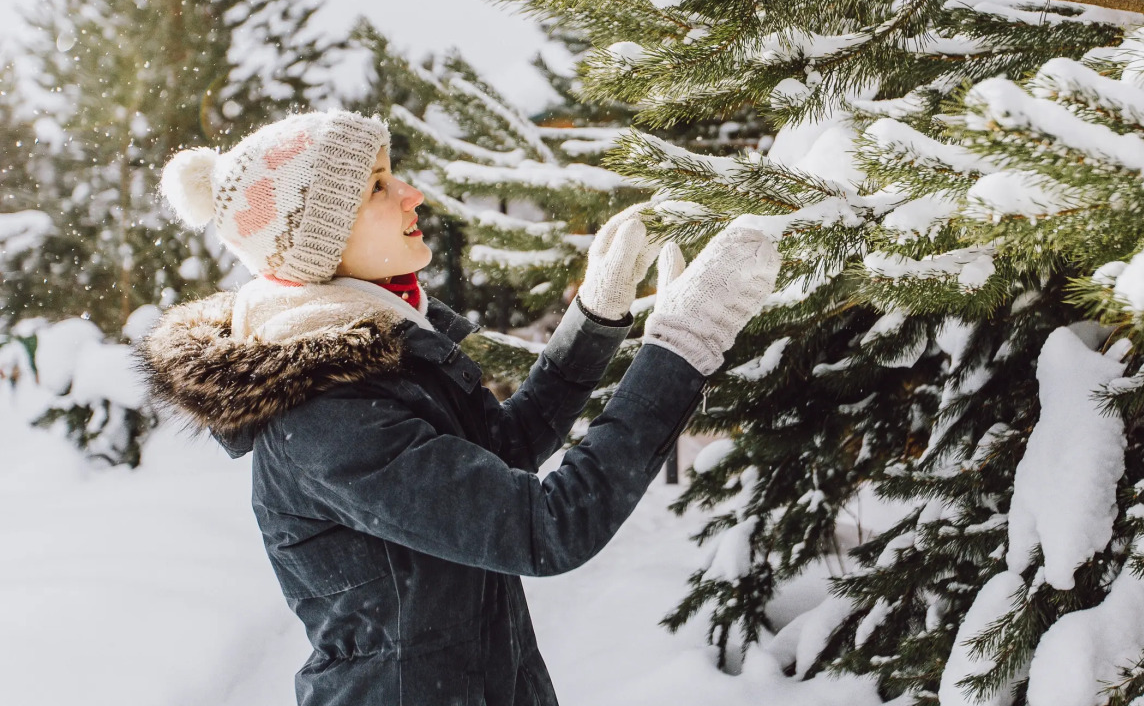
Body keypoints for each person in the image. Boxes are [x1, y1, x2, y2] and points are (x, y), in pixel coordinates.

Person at [135, 108, 781, 706]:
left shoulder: (380, 354)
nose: (410, 194)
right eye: (378, 188)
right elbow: (545, 528)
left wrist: (593, 321)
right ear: (322, 245)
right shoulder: (330, 415)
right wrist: (683, 346)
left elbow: (502, 451)